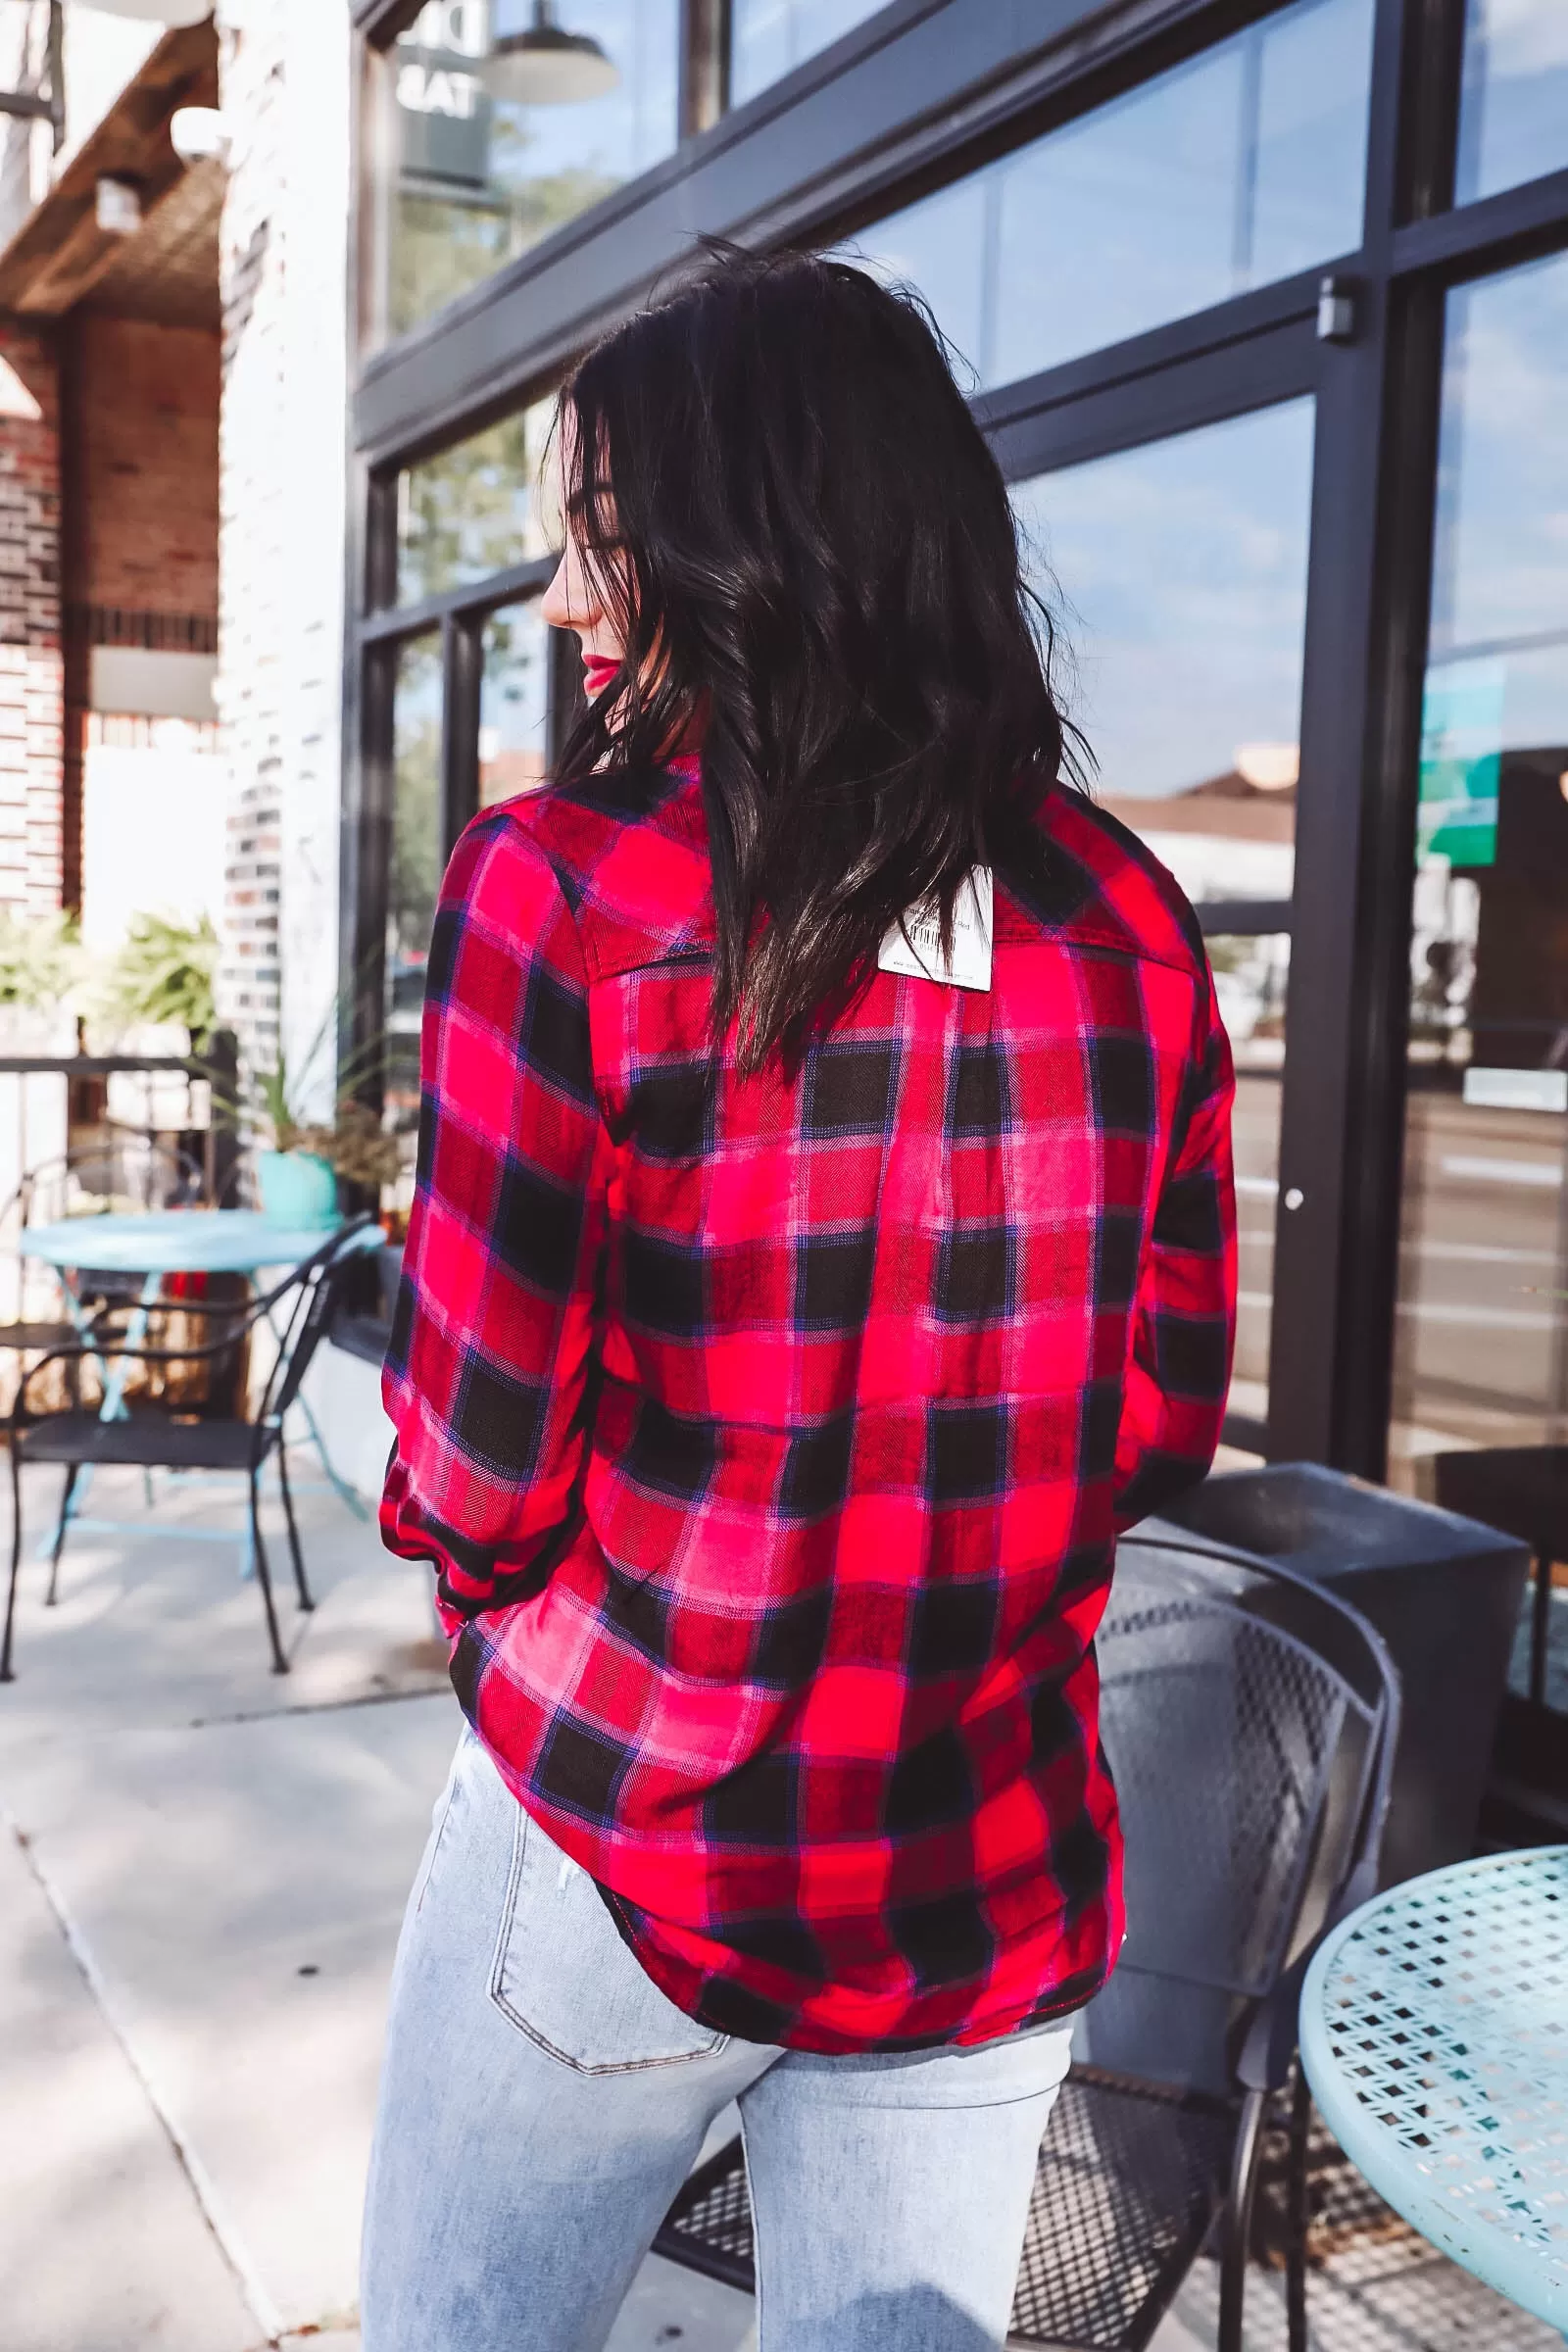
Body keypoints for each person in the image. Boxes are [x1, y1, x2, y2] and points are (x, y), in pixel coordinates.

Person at [364, 246, 1236, 2352]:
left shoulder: (561, 892)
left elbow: (473, 1457)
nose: (570, 599)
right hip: (973, 1867)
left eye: (591, 532)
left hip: (629, 1833)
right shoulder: (1123, 915)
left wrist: (490, 1600)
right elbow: (1150, 1428)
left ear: (721, 536)